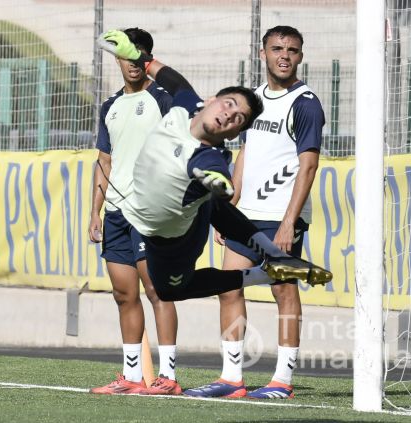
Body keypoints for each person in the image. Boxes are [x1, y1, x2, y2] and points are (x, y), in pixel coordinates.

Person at [94, 29, 332, 396]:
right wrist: (138, 56)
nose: (229, 115)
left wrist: (219, 182)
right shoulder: (190, 104)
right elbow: (173, 79)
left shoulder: (215, 152)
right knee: (224, 273)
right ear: (211, 100)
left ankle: (281, 380)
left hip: (185, 233)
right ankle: (233, 374)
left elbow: (217, 166)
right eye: (228, 106)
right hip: (219, 211)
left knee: (187, 288)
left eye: (237, 118)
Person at [185, 26, 325, 400]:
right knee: (228, 287)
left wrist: (289, 222)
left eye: (292, 50)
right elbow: (247, 152)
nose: (285, 55)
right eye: (277, 48)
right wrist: (230, 205)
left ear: (300, 56)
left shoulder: (306, 102)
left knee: (284, 290)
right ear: (262, 53)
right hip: (244, 214)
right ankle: (232, 378)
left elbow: (308, 166)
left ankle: (282, 380)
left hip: (281, 216)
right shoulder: (255, 101)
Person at [88, 27, 182, 396]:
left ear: (149, 60)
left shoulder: (164, 97)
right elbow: (104, 160)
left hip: (152, 212)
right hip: (115, 214)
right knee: (124, 295)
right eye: (127, 55)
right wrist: (95, 212)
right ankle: (131, 377)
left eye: (141, 56)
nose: (134, 63)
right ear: (117, 59)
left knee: (157, 291)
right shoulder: (110, 106)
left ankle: (169, 377)